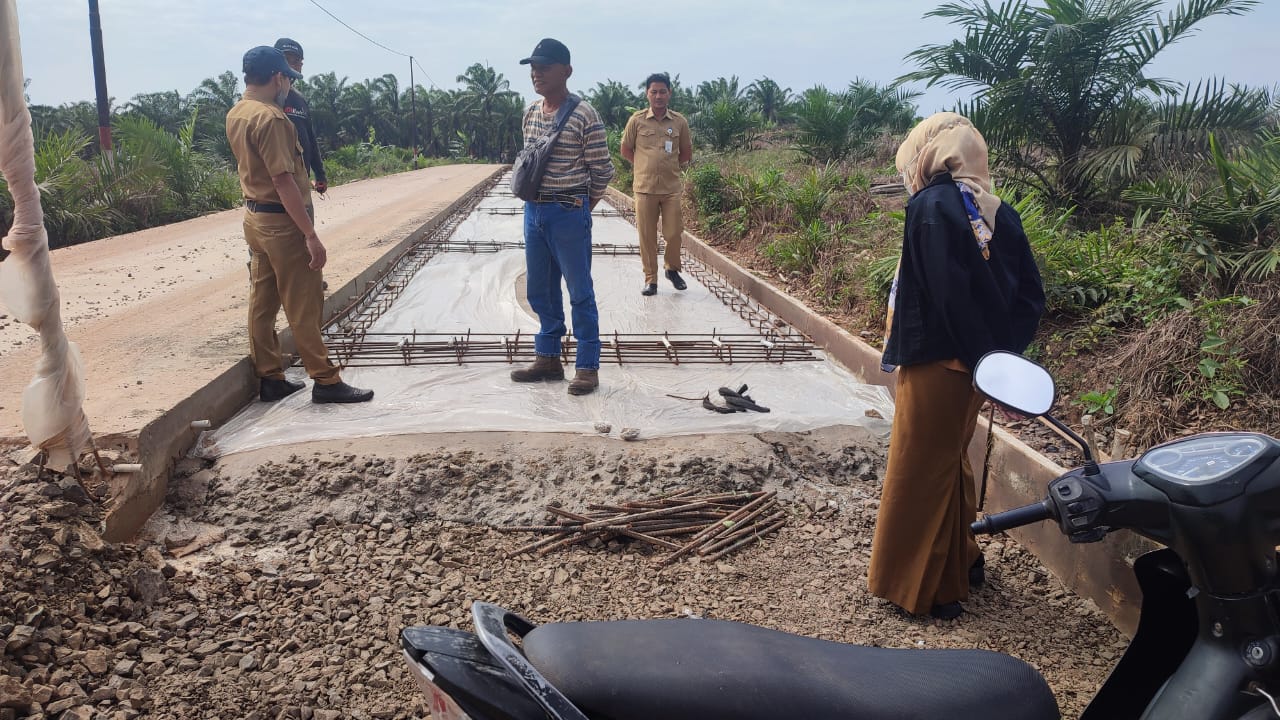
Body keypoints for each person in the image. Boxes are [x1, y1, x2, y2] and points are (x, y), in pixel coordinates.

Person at [867, 112, 1045, 619]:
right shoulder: (995, 211)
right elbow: (1030, 294)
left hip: (936, 363)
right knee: (951, 462)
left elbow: (945, 295)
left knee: (918, 469)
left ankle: (920, 589)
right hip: (974, 368)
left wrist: (974, 354)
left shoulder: (930, 206)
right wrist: (997, 360)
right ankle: (963, 560)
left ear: (928, 153)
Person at [225, 46, 373, 404]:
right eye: (288, 79)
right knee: (303, 302)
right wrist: (310, 234)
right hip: (283, 222)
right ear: (278, 77)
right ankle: (325, 379)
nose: (289, 86)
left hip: (255, 219)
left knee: (262, 301)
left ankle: (270, 376)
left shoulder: (237, 113)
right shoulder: (272, 119)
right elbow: (283, 180)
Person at [508, 38, 614, 396]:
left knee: (579, 291)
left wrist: (583, 206)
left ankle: (587, 365)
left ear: (566, 71)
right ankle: (548, 358)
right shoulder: (531, 112)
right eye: (533, 67)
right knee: (541, 289)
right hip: (534, 211)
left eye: (544, 66)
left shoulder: (585, 114)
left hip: (569, 211)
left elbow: (602, 170)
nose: (536, 73)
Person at [620, 72, 692, 296]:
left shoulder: (679, 122)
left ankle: (672, 269)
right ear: (647, 94)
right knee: (647, 236)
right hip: (644, 188)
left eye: (662, 91)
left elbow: (686, 153)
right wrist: (643, 165)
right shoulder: (637, 120)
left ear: (669, 93)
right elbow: (625, 149)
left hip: (670, 188)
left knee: (673, 233)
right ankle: (651, 280)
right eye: (654, 92)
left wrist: (668, 167)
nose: (658, 96)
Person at [273, 38, 327, 195]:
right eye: (286, 59)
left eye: (296, 61)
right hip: (275, 187)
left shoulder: (299, 99)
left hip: (301, 182)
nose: (291, 64)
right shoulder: (268, 98)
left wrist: (320, 174)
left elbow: (310, 139)